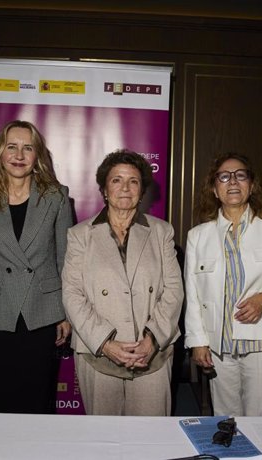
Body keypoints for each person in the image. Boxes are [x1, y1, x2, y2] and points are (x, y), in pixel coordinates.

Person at [62, 149, 183, 416]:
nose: (125, 188)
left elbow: (173, 291)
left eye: (133, 181)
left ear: (142, 190)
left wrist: (152, 340)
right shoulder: (80, 235)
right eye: (116, 180)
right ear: (104, 189)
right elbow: (72, 294)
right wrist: (106, 343)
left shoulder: (161, 231)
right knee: (104, 443)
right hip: (99, 357)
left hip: (151, 356)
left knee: (150, 441)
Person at [0, 120, 72, 414]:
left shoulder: (56, 197)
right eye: (11, 146)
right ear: (0, 152)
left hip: (41, 311)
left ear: (37, 155)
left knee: (37, 401)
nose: (19, 154)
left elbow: (65, 259)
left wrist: (64, 313)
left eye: (28, 148)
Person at [184, 152, 262, 416]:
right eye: (224, 176)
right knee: (226, 417)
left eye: (240, 175)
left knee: (259, 415)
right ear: (215, 188)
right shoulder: (198, 236)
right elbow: (193, 294)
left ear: (251, 186)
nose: (233, 181)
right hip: (218, 345)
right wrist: (198, 341)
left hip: (261, 341)